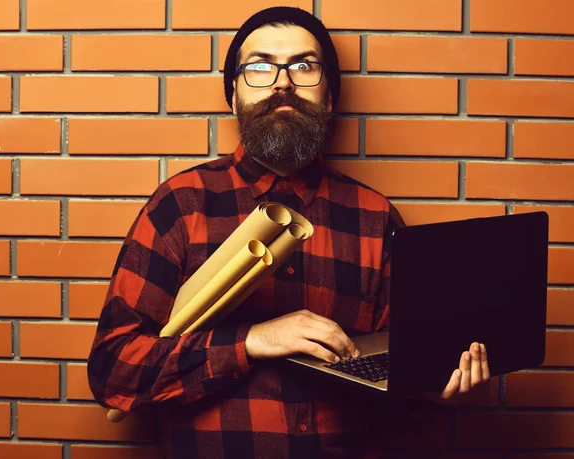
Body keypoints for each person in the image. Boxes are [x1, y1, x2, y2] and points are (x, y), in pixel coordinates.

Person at [87, 6, 490, 458]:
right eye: (260, 66)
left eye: (303, 66)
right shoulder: (180, 205)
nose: (283, 82)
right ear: (233, 96)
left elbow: (395, 395)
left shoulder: (376, 219)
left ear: (330, 97)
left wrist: (431, 388)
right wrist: (253, 342)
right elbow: (113, 374)